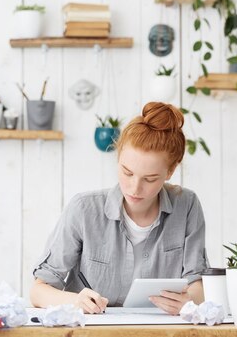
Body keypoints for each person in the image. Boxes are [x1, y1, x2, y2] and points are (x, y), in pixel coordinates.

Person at [30, 102, 208, 315]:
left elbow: (197, 283)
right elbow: (38, 291)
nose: (135, 188)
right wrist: (75, 301)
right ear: (118, 157)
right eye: (127, 172)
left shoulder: (187, 205)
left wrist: (190, 300)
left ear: (170, 171)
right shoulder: (84, 209)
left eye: (150, 179)